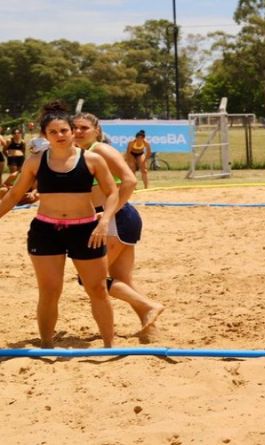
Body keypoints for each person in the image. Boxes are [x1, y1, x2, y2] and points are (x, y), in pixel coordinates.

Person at [0, 101, 119, 348]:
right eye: (53, 132)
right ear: (45, 135)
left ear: (72, 131)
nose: (60, 135)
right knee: (50, 291)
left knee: (96, 289)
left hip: (86, 229)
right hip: (46, 230)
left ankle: (110, 344)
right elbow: (13, 195)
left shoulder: (92, 159)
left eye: (64, 130)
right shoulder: (35, 161)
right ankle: (45, 344)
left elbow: (112, 192)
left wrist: (104, 221)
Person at [73, 113, 164, 335]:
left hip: (114, 219)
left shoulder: (100, 150)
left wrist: (107, 214)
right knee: (122, 280)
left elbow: (130, 181)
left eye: (84, 128)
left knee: (90, 279)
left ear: (96, 130)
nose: (78, 132)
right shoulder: (81, 154)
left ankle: (149, 306)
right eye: (74, 128)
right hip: (118, 218)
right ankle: (149, 328)